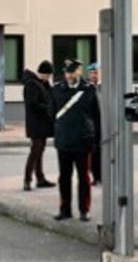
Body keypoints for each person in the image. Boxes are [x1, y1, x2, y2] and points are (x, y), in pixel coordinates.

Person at [50, 60, 98, 222]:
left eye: (73, 72)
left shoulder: (88, 90)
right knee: (64, 177)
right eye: (67, 73)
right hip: (64, 140)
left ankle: (84, 210)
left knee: (84, 177)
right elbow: (51, 112)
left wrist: (95, 138)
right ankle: (65, 209)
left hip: (83, 140)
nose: (69, 76)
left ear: (79, 72)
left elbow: (95, 115)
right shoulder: (57, 89)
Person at [21, 61, 56, 191]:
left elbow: (50, 96)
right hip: (36, 124)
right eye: (49, 75)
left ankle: (40, 178)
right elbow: (32, 104)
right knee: (35, 151)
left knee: (40, 151)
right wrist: (48, 108)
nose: (49, 78)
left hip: (43, 123)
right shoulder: (32, 84)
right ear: (45, 73)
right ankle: (27, 179)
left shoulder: (43, 84)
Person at [86, 63, 104, 186]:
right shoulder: (87, 89)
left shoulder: (105, 88)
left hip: (105, 122)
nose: (93, 75)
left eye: (96, 73)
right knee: (95, 151)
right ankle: (96, 176)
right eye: (91, 73)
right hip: (93, 124)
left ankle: (104, 175)